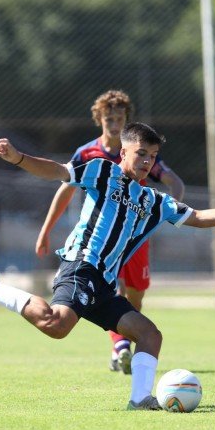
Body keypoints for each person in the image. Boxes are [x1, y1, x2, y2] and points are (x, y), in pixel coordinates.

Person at [0, 122, 215, 410]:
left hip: (104, 283)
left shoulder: (154, 201)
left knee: (150, 335)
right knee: (56, 326)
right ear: (124, 152)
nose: (147, 162)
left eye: (153, 157)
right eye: (141, 154)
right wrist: (18, 158)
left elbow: (200, 217)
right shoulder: (102, 171)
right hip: (81, 266)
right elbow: (58, 172)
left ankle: (140, 400)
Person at [35, 90, 185, 375]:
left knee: (134, 298)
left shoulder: (140, 153)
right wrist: (46, 230)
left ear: (126, 120)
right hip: (98, 241)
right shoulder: (87, 154)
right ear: (99, 119)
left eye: (120, 118)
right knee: (107, 288)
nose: (114, 124)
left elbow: (172, 180)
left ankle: (129, 344)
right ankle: (120, 349)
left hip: (134, 239)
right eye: (109, 118)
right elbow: (64, 189)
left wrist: (171, 210)